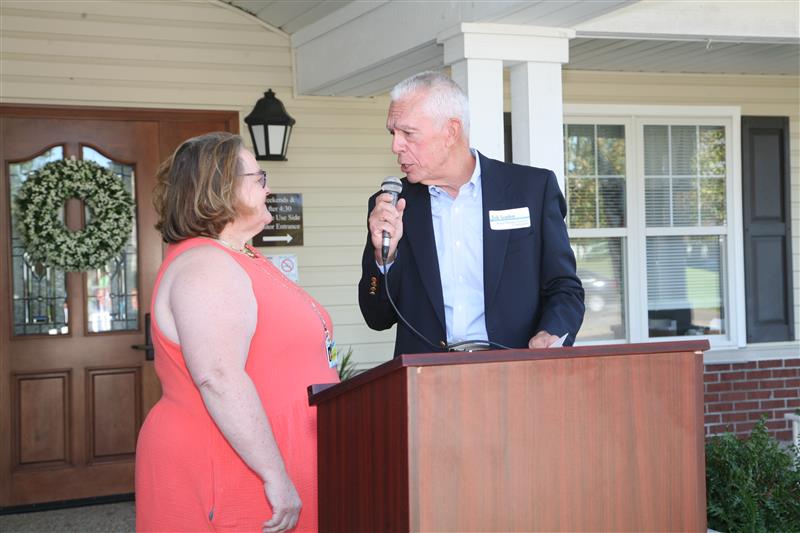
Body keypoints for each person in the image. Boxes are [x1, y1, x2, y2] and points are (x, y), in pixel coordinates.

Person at [136, 132, 339, 532]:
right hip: (233, 460)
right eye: (259, 179)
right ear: (221, 189)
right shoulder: (205, 266)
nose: (270, 188)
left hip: (272, 454)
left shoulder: (243, 256)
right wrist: (274, 476)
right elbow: (219, 377)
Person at [359, 71, 584, 357]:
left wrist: (550, 332)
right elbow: (376, 318)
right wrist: (384, 258)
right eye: (393, 133)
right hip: (427, 382)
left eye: (408, 133)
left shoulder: (531, 191)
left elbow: (564, 287)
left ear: (451, 131)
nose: (396, 146)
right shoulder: (392, 207)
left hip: (514, 373)